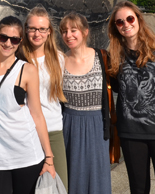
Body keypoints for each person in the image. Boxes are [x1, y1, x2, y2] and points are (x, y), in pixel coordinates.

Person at [108, 1, 155, 194]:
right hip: (130, 135)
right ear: (115, 27)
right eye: (119, 22)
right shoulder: (115, 56)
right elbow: (117, 88)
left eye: (130, 18)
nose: (126, 24)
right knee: (138, 189)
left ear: (139, 19)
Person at [0, 16, 56, 194]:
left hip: (27, 154)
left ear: (20, 41)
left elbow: (37, 115)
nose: (8, 43)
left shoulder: (27, 70)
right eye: (3, 37)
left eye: (14, 39)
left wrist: (49, 157)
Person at [59, 12, 111, 194]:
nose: (68, 35)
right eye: (64, 31)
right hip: (69, 125)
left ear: (85, 31)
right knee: (73, 177)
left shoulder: (102, 57)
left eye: (74, 30)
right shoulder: (60, 61)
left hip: (97, 125)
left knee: (98, 177)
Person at [21, 6, 68, 191]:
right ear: (26, 29)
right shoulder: (18, 58)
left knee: (59, 185)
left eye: (42, 29)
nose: (37, 33)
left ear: (49, 32)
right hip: (26, 132)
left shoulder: (59, 59)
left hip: (53, 130)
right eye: (32, 28)